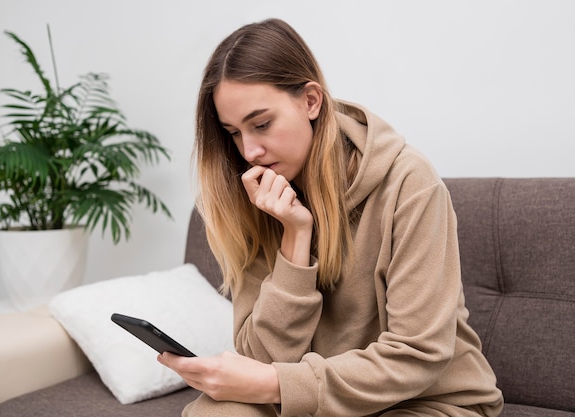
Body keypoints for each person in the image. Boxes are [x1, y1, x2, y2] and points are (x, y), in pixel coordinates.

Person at [157, 18, 504, 417]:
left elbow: (419, 354)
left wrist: (278, 384)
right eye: (234, 132)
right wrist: (294, 239)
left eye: (262, 124)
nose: (249, 150)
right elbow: (261, 357)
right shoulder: (256, 196)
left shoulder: (409, 183)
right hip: (311, 401)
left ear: (310, 101)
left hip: (425, 401)